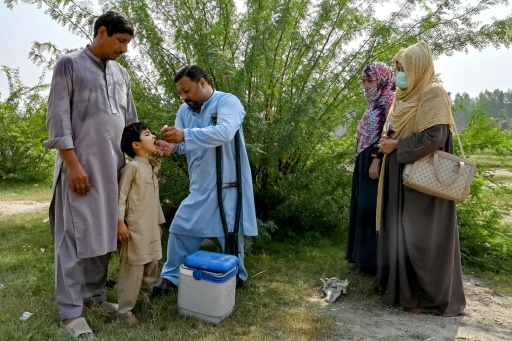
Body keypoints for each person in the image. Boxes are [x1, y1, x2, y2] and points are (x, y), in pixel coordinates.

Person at [44, 11, 138, 339]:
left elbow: (130, 126)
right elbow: (57, 117)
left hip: (112, 169)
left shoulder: (121, 75)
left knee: (103, 237)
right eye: (121, 41)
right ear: (101, 32)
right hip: (80, 169)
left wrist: (147, 156)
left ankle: (94, 296)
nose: (124, 49)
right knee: (72, 240)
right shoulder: (68, 64)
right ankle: (70, 313)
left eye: (127, 43)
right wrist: (72, 164)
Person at [375, 41, 466, 316]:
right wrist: (385, 143)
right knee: (402, 235)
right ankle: (405, 293)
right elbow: (392, 129)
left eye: (404, 69)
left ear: (418, 68)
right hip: (401, 176)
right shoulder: (403, 95)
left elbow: (435, 137)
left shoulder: (432, 93)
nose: (399, 74)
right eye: (397, 69)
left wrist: (397, 146)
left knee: (423, 239)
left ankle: (430, 299)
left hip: (424, 185)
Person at [152, 65, 258, 295]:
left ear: (202, 83)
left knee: (230, 233)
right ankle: (172, 277)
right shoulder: (185, 111)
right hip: (200, 185)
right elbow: (182, 143)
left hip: (228, 184)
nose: (184, 97)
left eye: (187, 91)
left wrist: (184, 135)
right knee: (181, 226)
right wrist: (171, 146)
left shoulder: (227, 102)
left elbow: (224, 132)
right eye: (180, 93)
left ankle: (235, 274)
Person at [345, 62, 395, 276]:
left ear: (383, 79)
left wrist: (376, 159)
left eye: (370, 80)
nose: (366, 85)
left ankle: (371, 262)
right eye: (364, 81)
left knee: (370, 208)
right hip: (363, 160)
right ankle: (359, 257)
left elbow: (388, 133)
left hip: (375, 161)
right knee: (360, 204)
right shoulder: (374, 102)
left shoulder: (389, 101)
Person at [117, 122, 165, 326]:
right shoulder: (132, 168)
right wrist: (120, 223)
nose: (153, 136)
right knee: (133, 268)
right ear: (136, 145)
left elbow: (155, 200)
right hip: (135, 228)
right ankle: (125, 310)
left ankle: (144, 298)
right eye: (148, 134)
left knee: (151, 264)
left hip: (151, 227)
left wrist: (159, 223)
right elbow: (120, 198)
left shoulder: (153, 168)